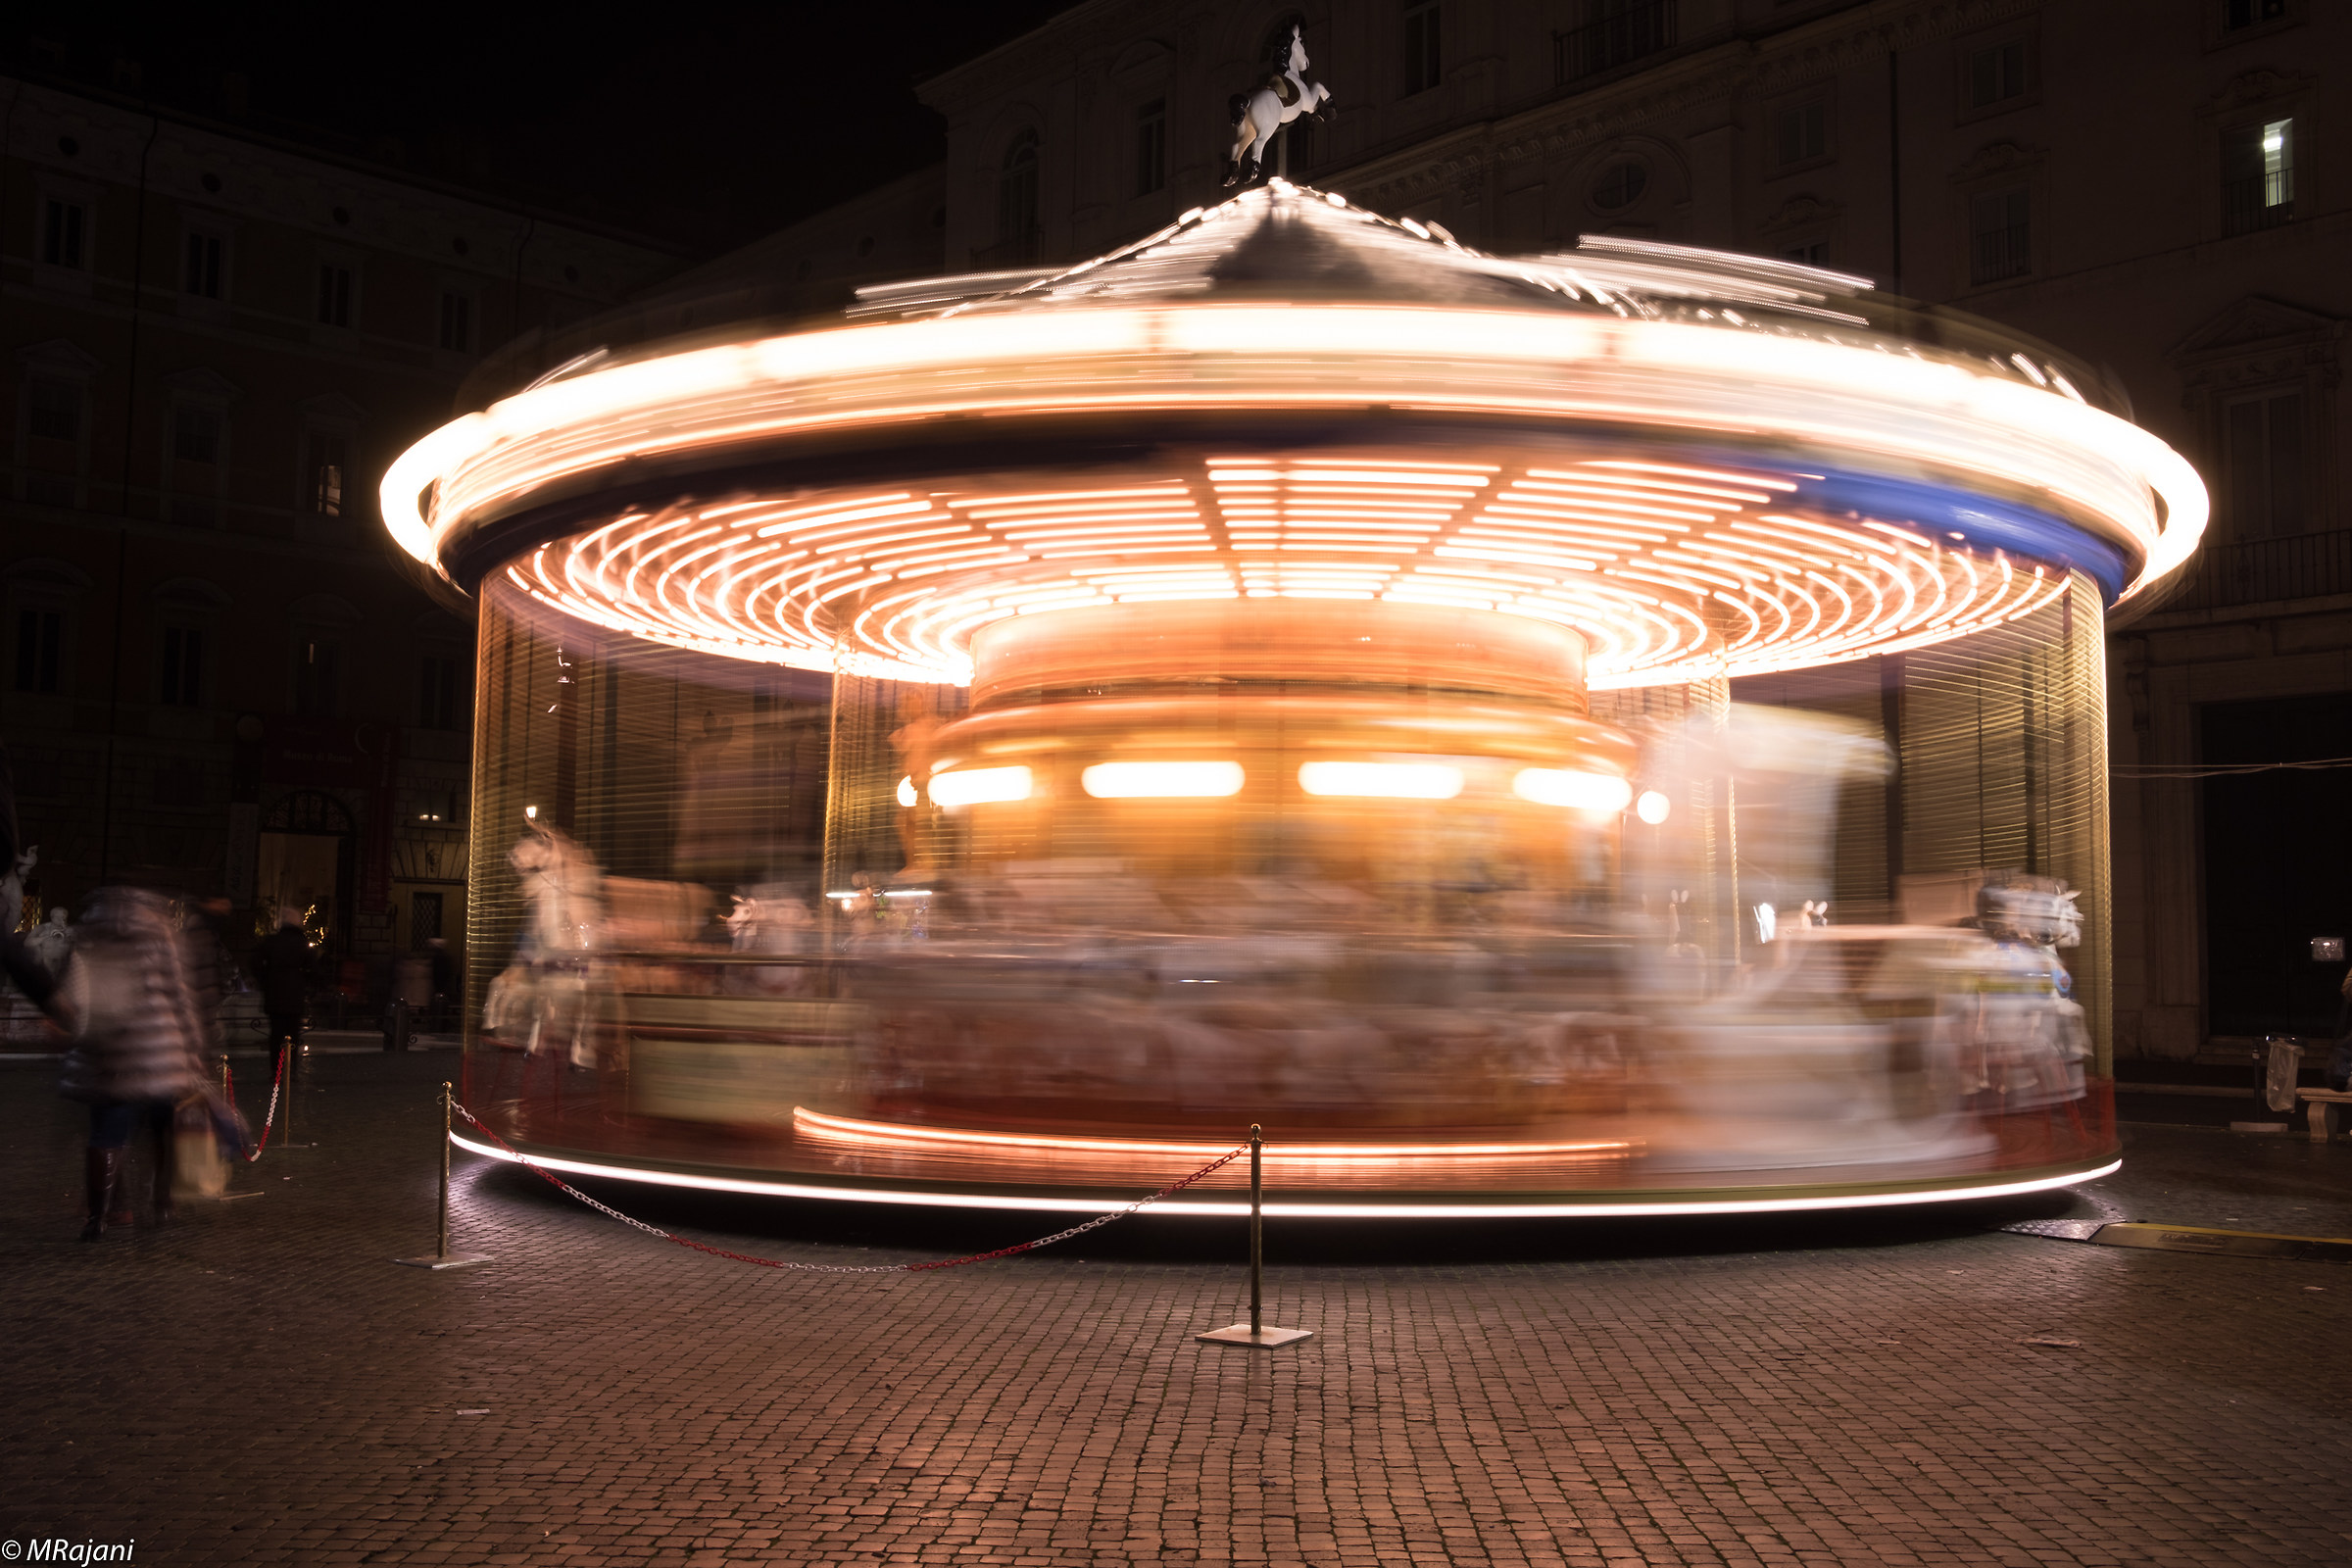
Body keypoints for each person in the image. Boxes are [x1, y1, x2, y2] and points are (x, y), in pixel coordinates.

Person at [58, 887, 206, 1239]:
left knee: (105, 1133)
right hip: (156, 1048)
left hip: (105, 1049)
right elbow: (178, 993)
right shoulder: (160, 934)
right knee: (161, 1129)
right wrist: (193, 1047)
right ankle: (162, 1202)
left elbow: (73, 992)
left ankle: (98, 1218)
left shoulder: (88, 933)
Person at [251, 906, 313, 1081]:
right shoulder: (301, 943)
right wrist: (306, 983)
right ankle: (290, 1070)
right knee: (293, 1034)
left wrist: (265, 980)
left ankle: (275, 1070)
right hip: (294, 994)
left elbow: (255, 962)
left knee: (276, 1034)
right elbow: (313, 968)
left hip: (275, 993)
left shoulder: (272, 941)